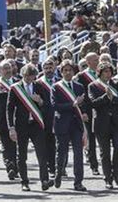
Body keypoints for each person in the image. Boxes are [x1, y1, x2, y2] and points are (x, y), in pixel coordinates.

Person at [7, 64, 54, 191]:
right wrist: (11, 127)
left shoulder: (39, 86)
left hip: (36, 125)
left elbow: (48, 107)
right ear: (23, 75)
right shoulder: (15, 88)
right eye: (26, 76)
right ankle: (24, 181)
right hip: (21, 125)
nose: (28, 78)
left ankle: (44, 180)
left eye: (31, 76)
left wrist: (40, 101)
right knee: (22, 155)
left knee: (41, 153)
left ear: (34, 76)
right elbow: (9, 109)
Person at [88, 62, 118, 189]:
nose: (108, 74)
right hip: (101, 122)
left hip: (116, 122)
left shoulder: (117, 84)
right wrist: (105, 97)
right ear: (100, 72)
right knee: (105, 152)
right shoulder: (93, 86)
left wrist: (113, 99)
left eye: (109, 71)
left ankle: (116, 173)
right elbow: (92, 103)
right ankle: (107, 178)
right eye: (105, 71)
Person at [52, 59, 88, 191]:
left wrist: (83, 112)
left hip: (76, 124)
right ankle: (58, 173)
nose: (68, 73)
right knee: (61, 152)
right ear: (61, 72)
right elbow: (55, 106)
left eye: (70, 70)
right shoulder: (56, 87)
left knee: (78, 153)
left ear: (73, 71)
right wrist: (73, 104)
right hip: (62, 123)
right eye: (65, 70)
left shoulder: (79, 86)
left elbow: (83, 104)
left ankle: (78, 181)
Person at [75, 52, 100, 176]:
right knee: (91, 138)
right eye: (95, 60)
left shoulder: (102, 74)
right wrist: (83, 112)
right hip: (89, 111)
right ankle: (94, 164)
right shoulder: (81, 76)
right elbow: (80, 96)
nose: (97, 61)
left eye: (98, 59)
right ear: (88, 62)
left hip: (102, 110)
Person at [36, 59, 59, 177]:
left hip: (59, 117)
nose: (48, 70)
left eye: (51, 67)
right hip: (45, 117)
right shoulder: (38, 84)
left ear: (55, 68)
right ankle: (51, 166)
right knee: (48, 143)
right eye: (46, 68)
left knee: (59, 143)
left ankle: (60, 166)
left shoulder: (60, 82)